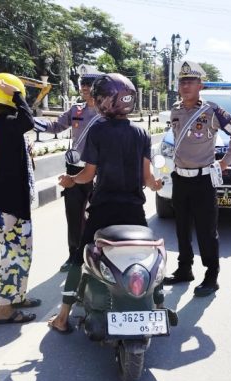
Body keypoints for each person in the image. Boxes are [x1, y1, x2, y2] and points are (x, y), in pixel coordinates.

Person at [47, 73, 164, 334]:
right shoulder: (142, 133)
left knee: (79, 258)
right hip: (134, 209)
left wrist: (69, 180)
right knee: (148, 255)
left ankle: (63, 317)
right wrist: (156, 185)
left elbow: (88, 174)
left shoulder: (98, 130)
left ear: (105, 101)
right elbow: (147, 178)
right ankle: (157, 306)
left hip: (103, 209)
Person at [162, 61, 231, 297]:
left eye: (191, 81)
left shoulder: (211, 110)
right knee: (181, 227)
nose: (186, 86)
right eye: (182, 81)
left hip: (203, 180)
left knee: (206, 230)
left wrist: (226, 161)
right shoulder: (176, 109)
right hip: (180, 178)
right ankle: (184, 269)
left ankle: (211, 276)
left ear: (200, 85)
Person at [0, 73, 41, 325]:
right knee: (13, 255)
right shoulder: (5, 120)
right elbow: (29, 121)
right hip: (9, 202)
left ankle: (16, 297)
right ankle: (4, 309)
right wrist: (17, 96)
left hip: (10, 199)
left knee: (22, 252)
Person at [32, 67, 103, 272]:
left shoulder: (107, 112)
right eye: (83, 84)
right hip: (74, 170)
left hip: (98, 171)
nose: (85, 88)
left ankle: (98, 253)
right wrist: (32, 121)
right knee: (73, 215)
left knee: (98, 214)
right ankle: (74, 255)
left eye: (90, 84)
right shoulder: (76, 110)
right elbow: (56, 126)